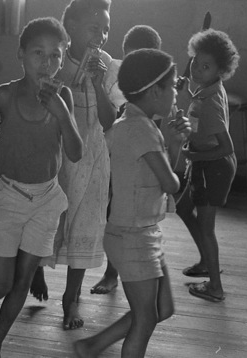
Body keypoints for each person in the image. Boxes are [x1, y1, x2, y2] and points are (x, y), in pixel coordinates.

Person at [0, 17, 83, 358]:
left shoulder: (63, 97)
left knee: (23, 280)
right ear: (21, 55)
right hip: (11, 197)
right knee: (0, 283)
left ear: (62, 59)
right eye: (37, 53)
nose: (46, 63)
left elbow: (75, 153)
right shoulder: (5, 95)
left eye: (55, 55)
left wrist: (62, 113)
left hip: (47, 201)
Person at [74, 49, 191, 358]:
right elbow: (170, 183)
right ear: (155, 91)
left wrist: (175, 143)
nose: (176, 94)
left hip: (140, 231)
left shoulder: (136, 124)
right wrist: (173, 148)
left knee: (161, 309)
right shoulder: (140, 130)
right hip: (132, 235)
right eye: (173, 86)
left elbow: (157, 178)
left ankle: (92, 345)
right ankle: (93, 346)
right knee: (146, 317)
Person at [31, 0, 116, 330]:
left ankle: (70, 298)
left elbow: (109, 121)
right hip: (58, 153)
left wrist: (97, 81)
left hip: (93, 155)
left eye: (106, 30)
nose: (101, 37)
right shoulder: (55, 61)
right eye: (94, 28)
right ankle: (36, 268)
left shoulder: (105, 64)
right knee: (49, 218)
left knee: (84, 223)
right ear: (71, 27)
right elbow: (41, 107)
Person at [91, 24, 163, 295]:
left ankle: (133, 276)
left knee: (137, 224)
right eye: (130, 59)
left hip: (143, 169)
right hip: (118, 162)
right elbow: (112, 122)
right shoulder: (120, 84)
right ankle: (112, 273)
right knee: (114, 216)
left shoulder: (157, 92)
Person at [176, 29, 239, 302]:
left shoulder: (210, 101)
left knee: (206, 228)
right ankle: (205, 261)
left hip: (213, 166)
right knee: (182, 208)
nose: (197, 69)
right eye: (196, 62)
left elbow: (227, 147)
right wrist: (185, 90)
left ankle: (215, 286)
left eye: (206, 66)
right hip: (206, 164)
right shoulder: (206, 89)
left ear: (220, 71)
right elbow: (196, 104)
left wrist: (195, 158)